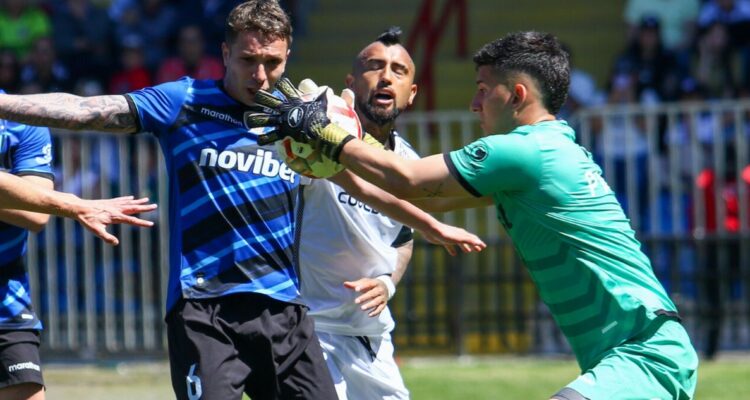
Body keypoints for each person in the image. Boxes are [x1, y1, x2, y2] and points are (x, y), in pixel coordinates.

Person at [0, 1, 484, 399]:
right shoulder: (185, 101)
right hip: (204, 305)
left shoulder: (297, 122)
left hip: (285, 309)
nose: (261, 75)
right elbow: (87, 110)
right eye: (248, 61)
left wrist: (432, 226)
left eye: (272, 63)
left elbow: (360, 186)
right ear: (225, 53)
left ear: (288, 57)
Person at [249, 31, 700, 400]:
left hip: (643, 355)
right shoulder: (552, 148)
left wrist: (322, 131)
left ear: (517, 94)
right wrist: (327, 162)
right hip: (635, 354)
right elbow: (422, 201)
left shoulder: (520, 152)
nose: (474, 103)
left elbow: (407, 178)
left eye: (484, 90)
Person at [0, 109, 154, 400]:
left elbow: (36, 215)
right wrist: (70, 205)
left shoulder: (20, 119)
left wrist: (44, 202)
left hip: (6, 296)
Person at [297, 27, 415, 399]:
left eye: (399, 70)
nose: (386, 76)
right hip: (308, 327)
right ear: (351, 82)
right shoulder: (316, 143)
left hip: (372, 336)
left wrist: (387, 283)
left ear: (411, 94)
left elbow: (404, 238)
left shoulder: (409, 165)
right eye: (374, 66)